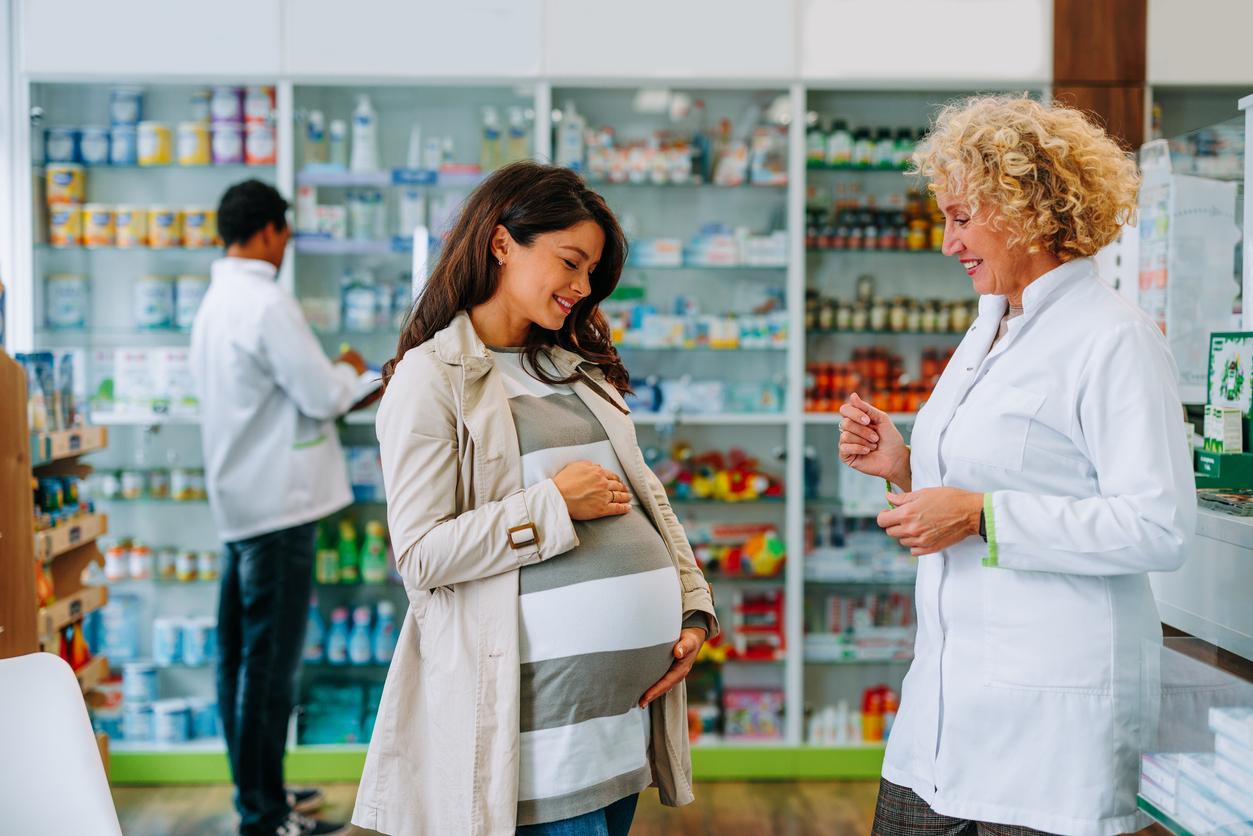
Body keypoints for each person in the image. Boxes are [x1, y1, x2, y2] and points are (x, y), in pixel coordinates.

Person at [838, 96, 1196, 836]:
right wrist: (904, 466)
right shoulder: (989, 328)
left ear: (1027, 208)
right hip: (939, 716)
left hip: (1049, 738)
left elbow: (1156, 526)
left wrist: (978, 516)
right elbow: (999, 475)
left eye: (961, 217)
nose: (947, 243)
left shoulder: (1112, 338)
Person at [351, 161, 718, 836]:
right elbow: (422, 556)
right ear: (500, 243)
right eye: (570, 263)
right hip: (540, 743)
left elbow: (650, 504)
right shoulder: (430, 380)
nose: (581, 289)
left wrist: (695, 611)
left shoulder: (577, 368)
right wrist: (550, 504)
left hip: (620, 724)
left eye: (591, 274)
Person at [191, 179, 371, 836]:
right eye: (285, 232)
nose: (286, 243)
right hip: (278, 508)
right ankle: (263, 816)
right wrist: (361, 371)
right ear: (268, 231)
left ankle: (259, 794)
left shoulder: (216, 301)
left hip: (242, 505)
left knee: (240, 663)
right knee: (269, 672)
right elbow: (323, 394)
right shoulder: (265, 302)